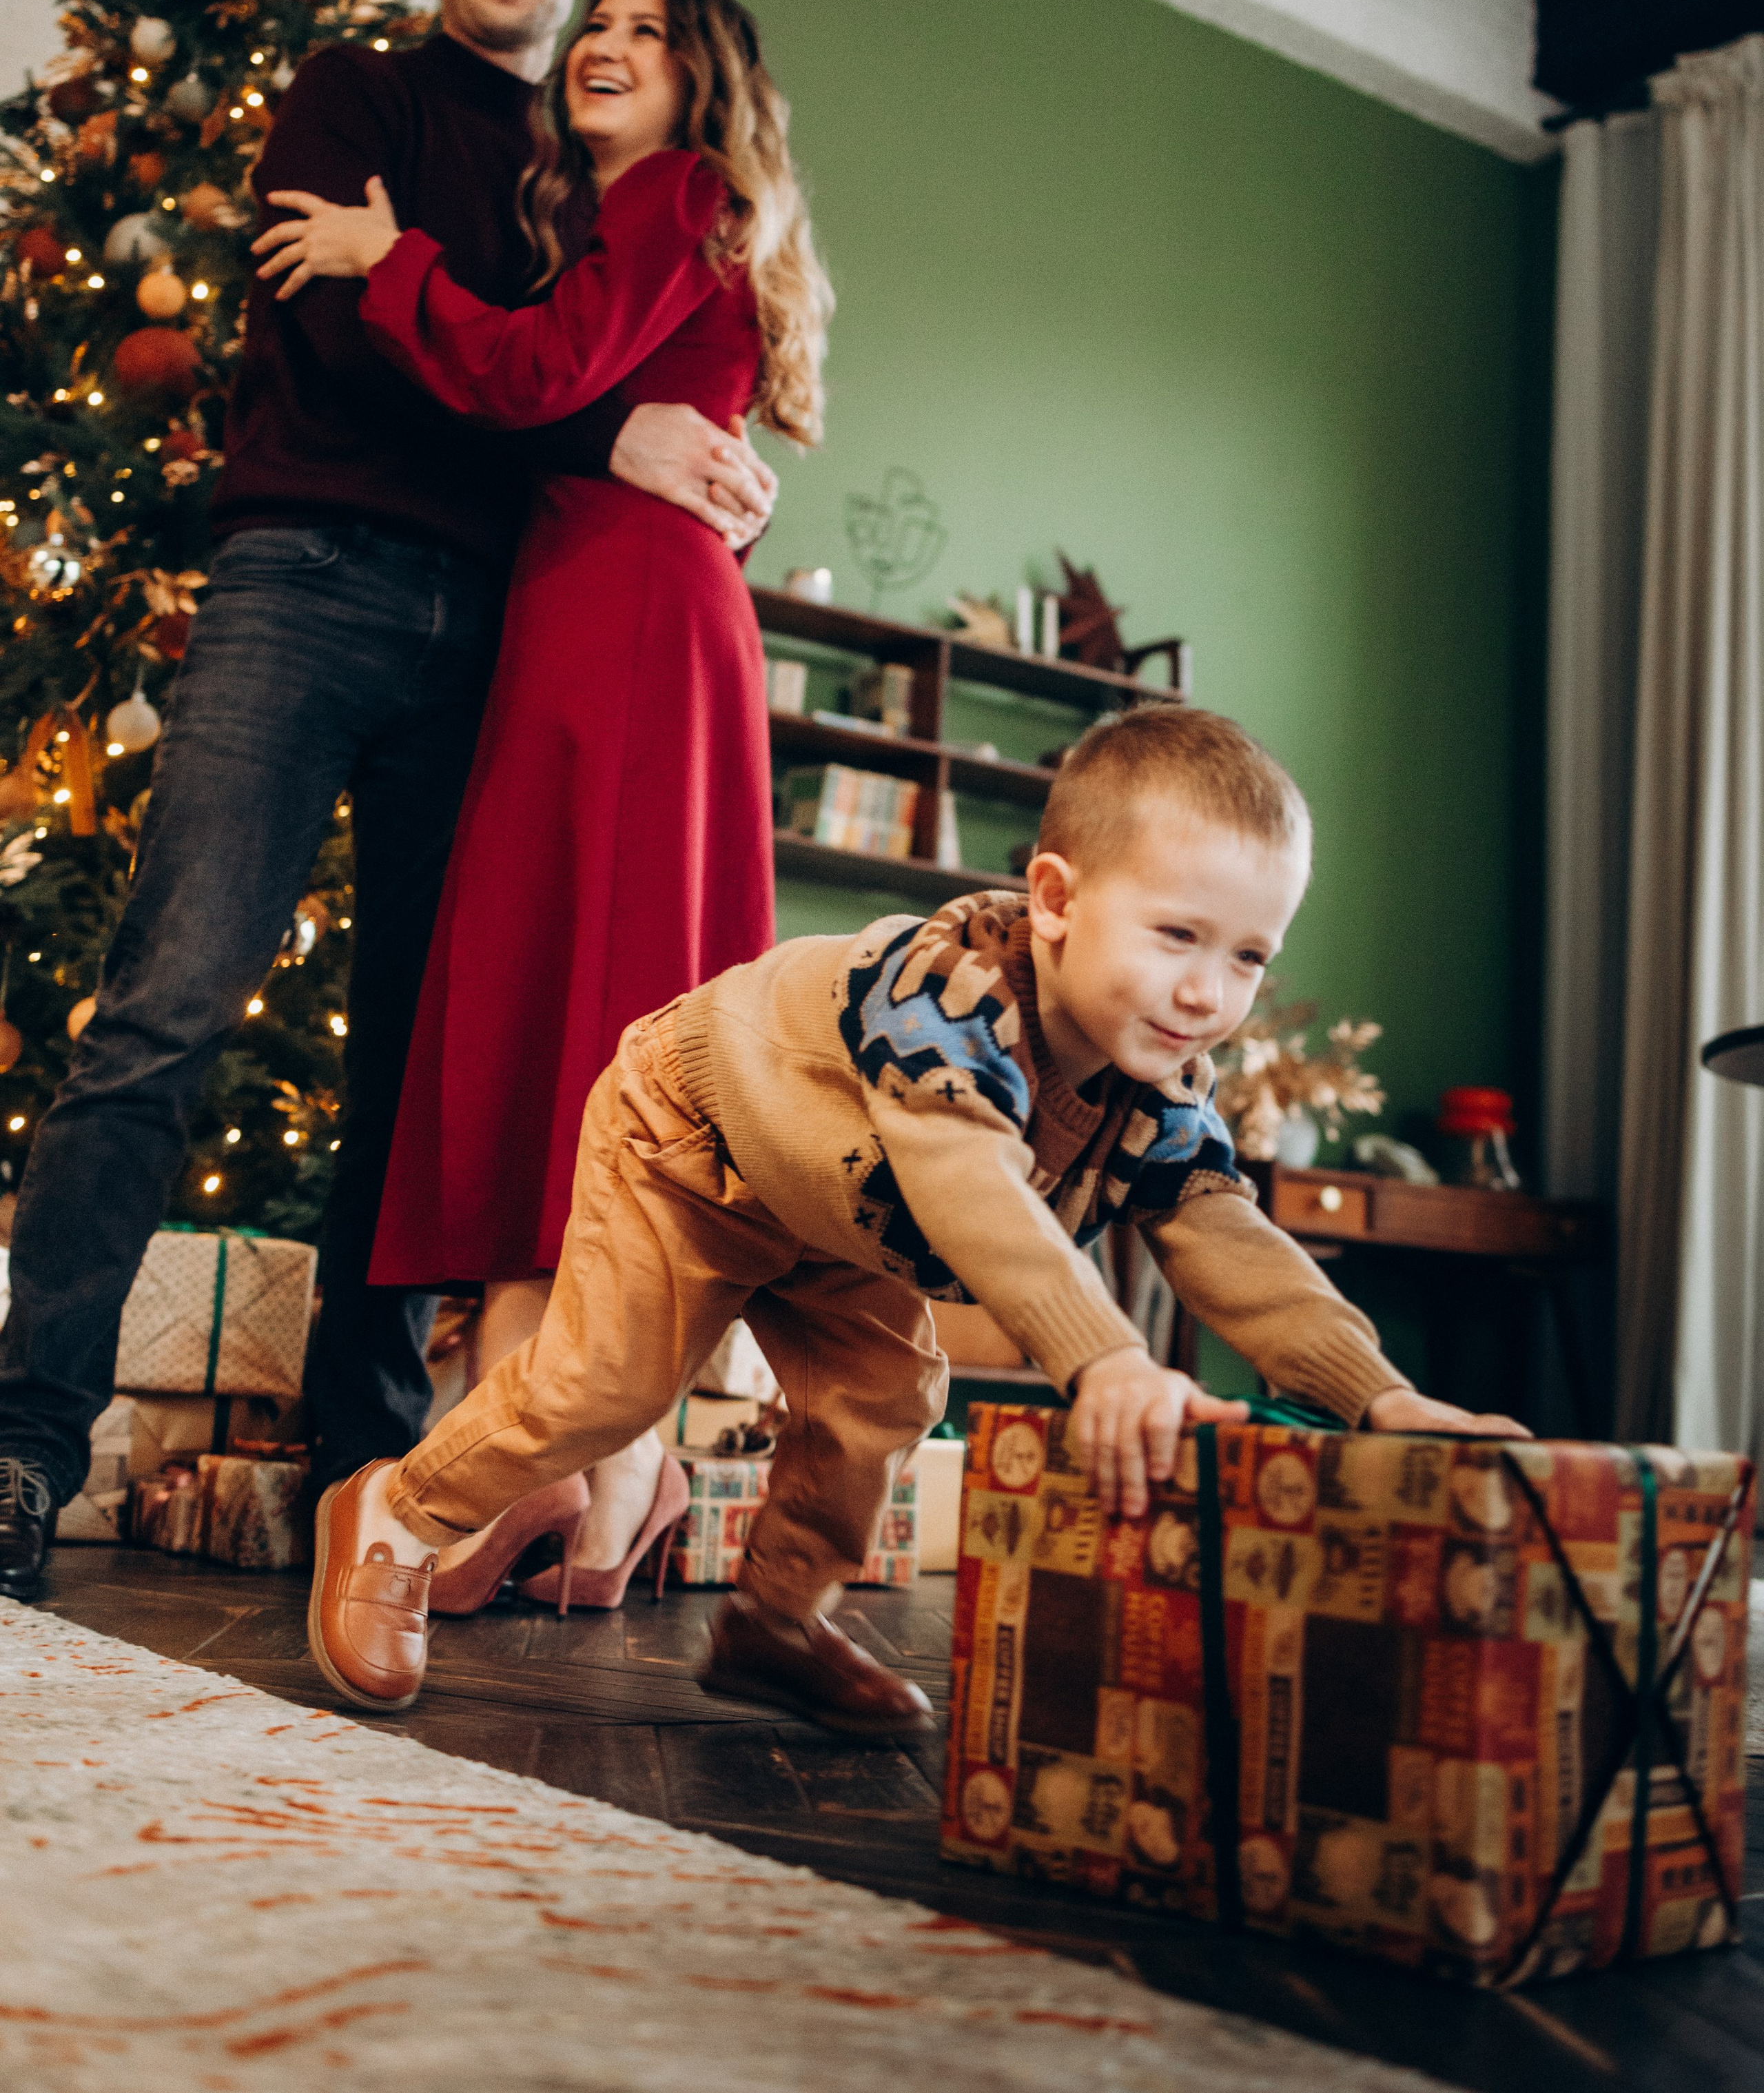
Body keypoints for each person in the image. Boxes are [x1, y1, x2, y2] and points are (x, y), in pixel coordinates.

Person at [0, 0, 777, 1600]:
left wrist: (673, 435)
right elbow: (353, 339)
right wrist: (611, 434)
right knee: (168, 1008)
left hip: (502, 635)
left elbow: (603, 342)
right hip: (308, 580)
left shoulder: (601, 163)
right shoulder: (352, 98)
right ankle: (30, 1450)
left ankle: (372, 1481)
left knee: (419, 1075)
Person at [305, 703, 1528, 1730]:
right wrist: (1100, 1356)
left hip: (839, 1218)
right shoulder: (952, 985)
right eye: (1177, 936)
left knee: (885, 1398)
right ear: (1053, 897)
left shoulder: (1158, 1080)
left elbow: (1223, 1228)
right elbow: (965, 1178)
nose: (1210, 991)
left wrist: (1377, 1394)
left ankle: (773, 1624)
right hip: (696, 1136)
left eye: (1251, 957)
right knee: (610, 1382)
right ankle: (396, 1511)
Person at [254, 0, 829, 1603]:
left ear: (702, 83)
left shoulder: (676, 191)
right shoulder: (627, 216)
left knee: (587, 1040)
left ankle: (571, 1467)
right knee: (567, 1045)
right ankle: (581, 1470)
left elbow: (529, 374)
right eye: (604, 24)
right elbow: (576, 391)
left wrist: (386, 256)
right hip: (596, 614)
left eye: (648, 33)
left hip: (627, 630)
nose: (608, 45)